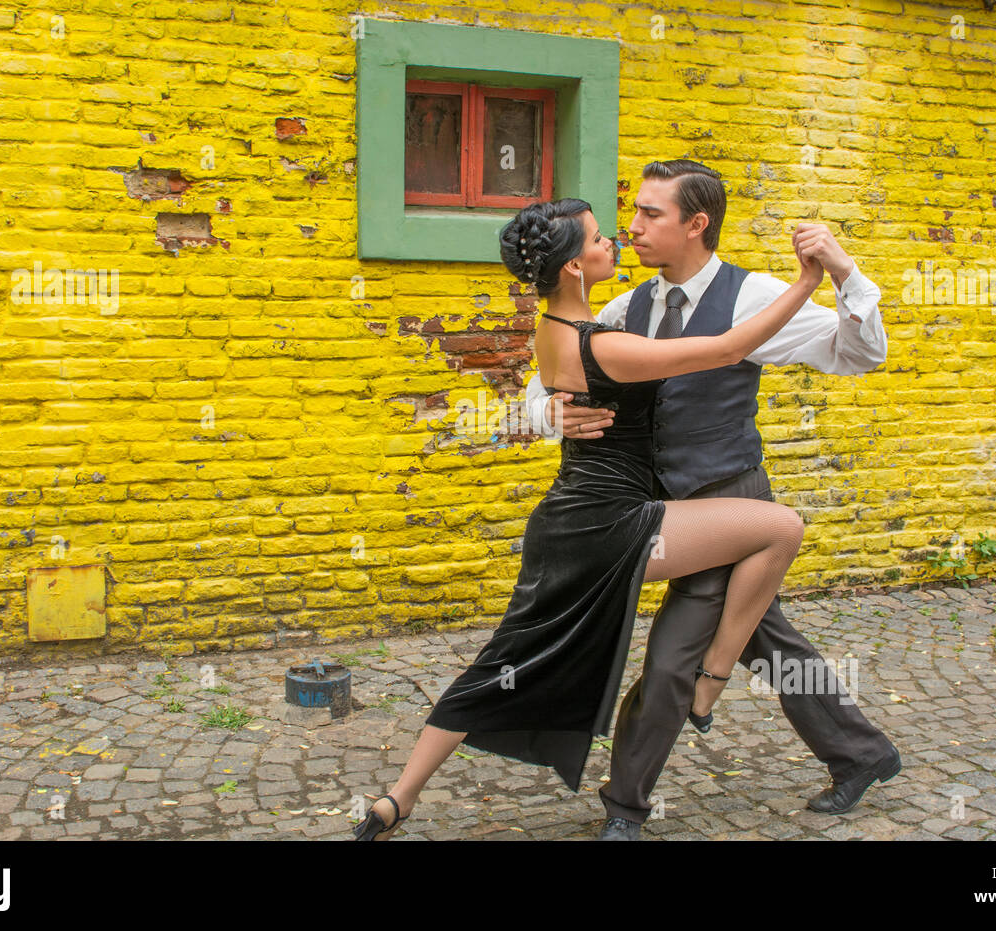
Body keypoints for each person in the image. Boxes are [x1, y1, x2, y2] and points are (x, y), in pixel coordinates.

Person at [352, 197, 826, 839]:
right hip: (614, 524)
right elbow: (729, 348)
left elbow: (549, 403)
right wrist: (805, 281)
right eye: (602, 240)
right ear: (575, 266)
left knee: (502, 658)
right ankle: (711, 679)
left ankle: (398, 798)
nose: (617, 244)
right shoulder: (609, 345)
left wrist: (551, 414)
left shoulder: (553, 330)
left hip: (562, 522)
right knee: (782, 527)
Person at [524, 159, 900, 841]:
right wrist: (552, 412)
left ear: (696, 224)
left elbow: (858, 352)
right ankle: (864, 752)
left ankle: (624, 808)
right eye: (632, 212)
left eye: (650, 215)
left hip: (731, 502)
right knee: (769, 640)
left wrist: (845, 272)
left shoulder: (755, 295)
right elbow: (547, 374)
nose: (631, 227)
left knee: (672, 660)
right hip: (666, 512)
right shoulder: (625, 305)